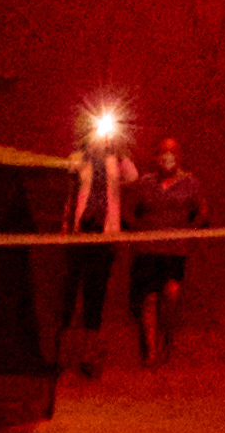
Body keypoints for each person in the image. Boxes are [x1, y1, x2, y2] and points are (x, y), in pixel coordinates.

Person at [60, 114, 134, 378]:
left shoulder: (116, 162)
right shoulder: (78, 160)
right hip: (79, 234)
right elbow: (67, 188)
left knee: (95, 295)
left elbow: (132, 177)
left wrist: (120, 149)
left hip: (104, 237)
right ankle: (63, 354)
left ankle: (89, 354)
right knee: (67, 294)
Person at [128, 137, 204, 367]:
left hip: (175, 252)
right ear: (156, 156)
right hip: (148, 251)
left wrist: (189, 231)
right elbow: (131, 211)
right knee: (149, 299)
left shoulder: (190, 182)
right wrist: (139, 231)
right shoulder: (145, 183)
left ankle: (167, 339)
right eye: (162, 152)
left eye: (171, 152)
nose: (167, 157)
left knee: (171, 295)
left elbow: (201, 211)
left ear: (179, 156)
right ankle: (150, 351)